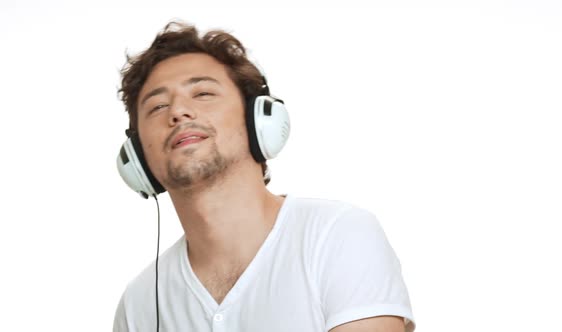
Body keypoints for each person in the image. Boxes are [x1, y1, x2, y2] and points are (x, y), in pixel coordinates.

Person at [113, 20, 415, 332]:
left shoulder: (337, 235)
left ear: (258, 120)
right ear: (138, 156)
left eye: (202, 93)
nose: (178, 112)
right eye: (157, 106)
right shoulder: (140, 304)